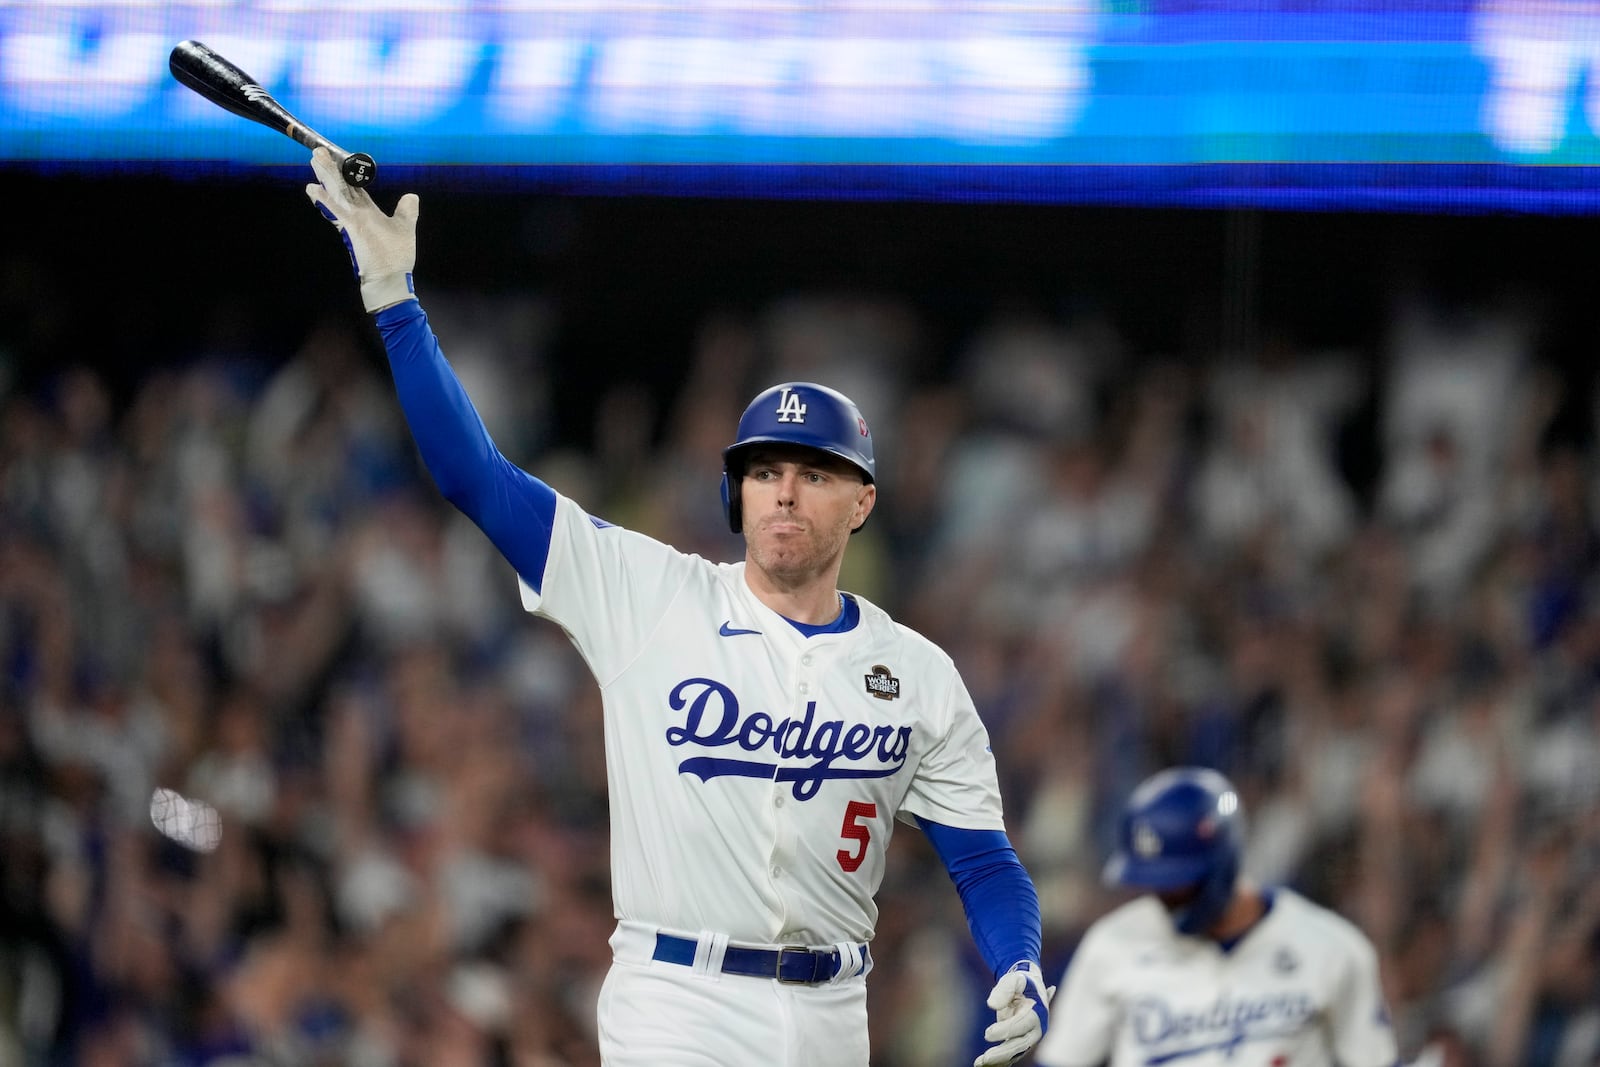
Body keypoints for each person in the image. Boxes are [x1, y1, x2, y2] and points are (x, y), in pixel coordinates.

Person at [303, 148, 1051, 1067]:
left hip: (832, 1015)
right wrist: (395, 301)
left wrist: (1018, 961)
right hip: (675, 1001)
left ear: (860, 503)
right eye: (763, 471)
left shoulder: (920, 675)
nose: (782, 492)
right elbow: (474, 479)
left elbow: (983, 861)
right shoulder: (651, 593)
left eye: (813, 474)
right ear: (736, 493)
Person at [1034, 766, 1400, 1067]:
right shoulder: (1111, 946)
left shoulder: (1332, 949)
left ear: (1223, 864)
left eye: (1177, 883)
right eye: (1155, 883)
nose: (1165, 897)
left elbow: (1376, 1059)